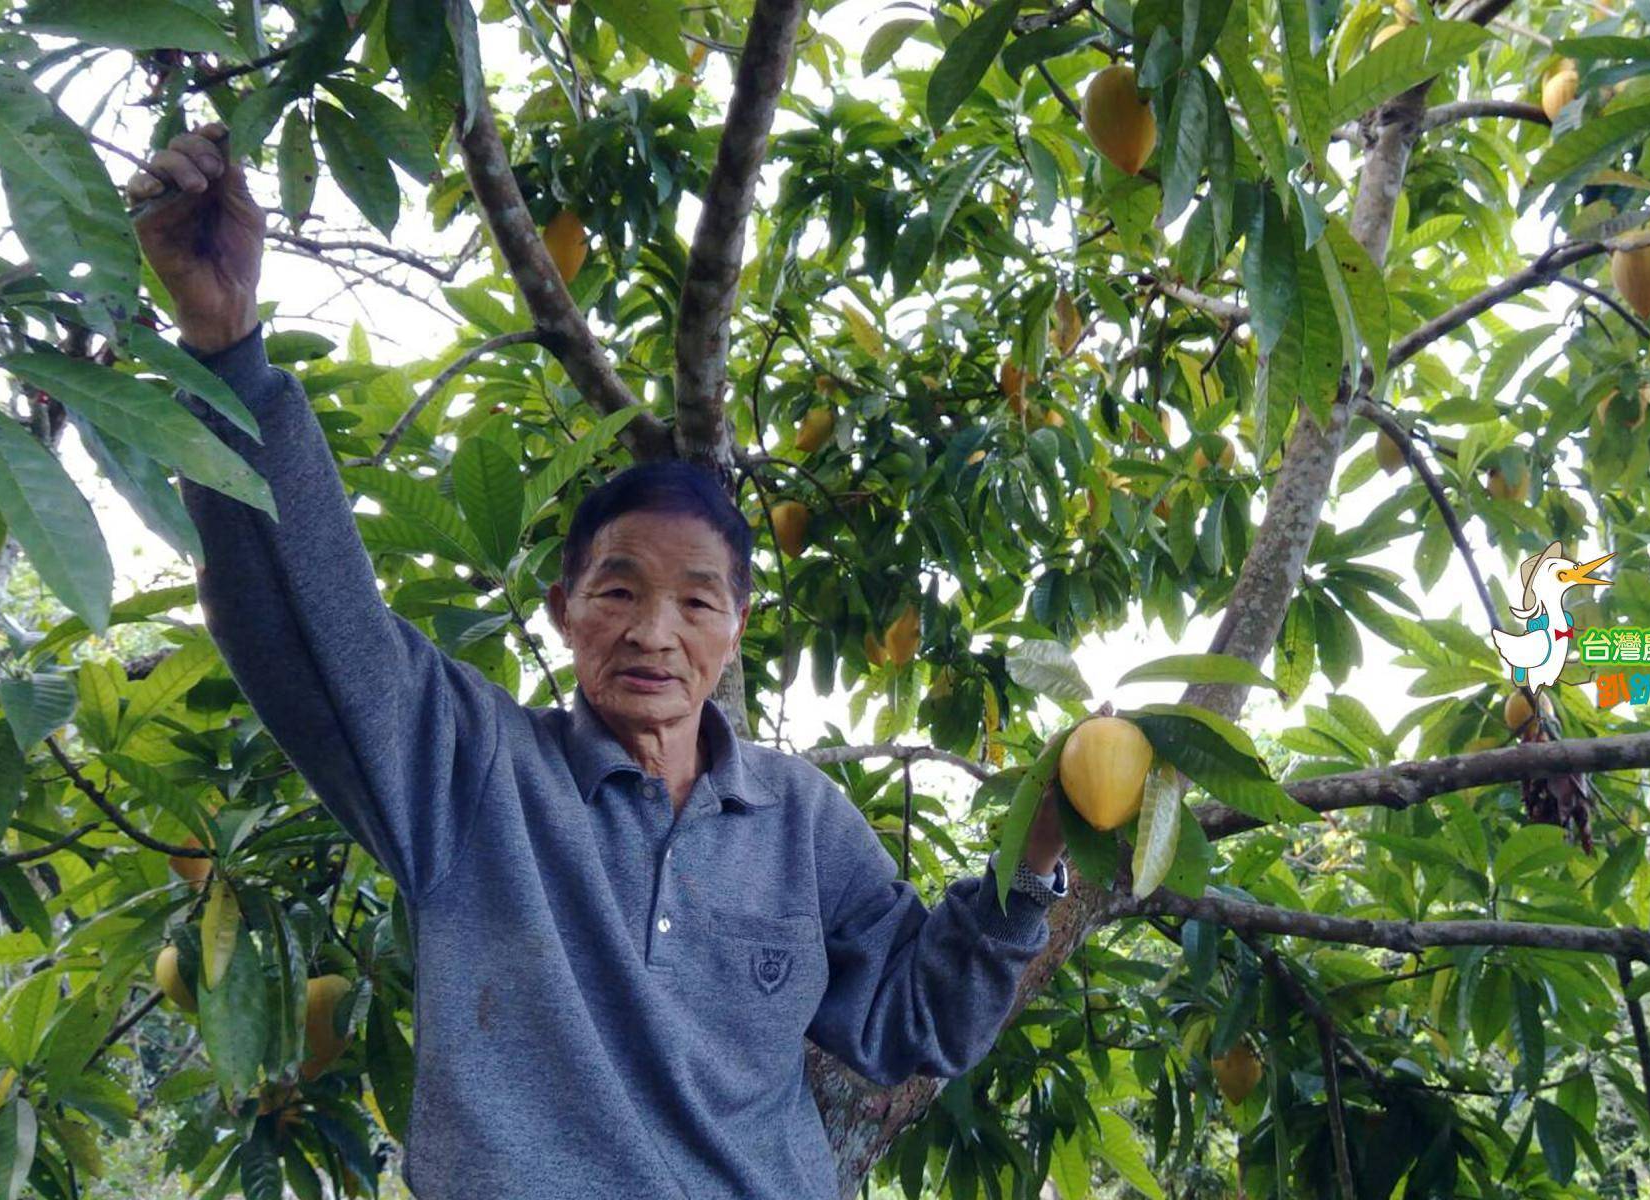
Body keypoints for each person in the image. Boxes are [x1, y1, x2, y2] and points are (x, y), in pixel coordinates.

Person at [128, 121, 1070, 1199]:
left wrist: (1029, 865)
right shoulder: (476, 776)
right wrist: (228, 352)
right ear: (563, 610)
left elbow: (917, 1022)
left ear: (737, 628)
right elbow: (308, 627)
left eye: (695, 601)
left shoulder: (803, 824)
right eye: (617, 590)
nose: (652, 632)